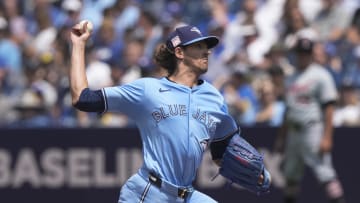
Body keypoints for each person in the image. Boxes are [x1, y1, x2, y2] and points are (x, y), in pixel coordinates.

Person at [69, 23, 250, 202]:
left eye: (207, 47)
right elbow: (83, 99)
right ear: (179, 53)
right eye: (199, 46)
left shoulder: (214, 98)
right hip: (149, 193)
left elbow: (221, 150)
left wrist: (250, 170)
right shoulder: (148, 89)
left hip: (187, 195)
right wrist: (78, 45)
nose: (207, 51)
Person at [274, 38, 346, 203]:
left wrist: (327, 137)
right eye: (300, 53)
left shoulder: (320, 75)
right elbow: (287, 110)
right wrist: (281, 138)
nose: (302, 57)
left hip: (312, 129)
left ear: (311, 54)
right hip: (293, 131)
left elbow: (329, 107)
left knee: (325, 172)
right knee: (290, 175)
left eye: (305, 53)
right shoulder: (291, 77)